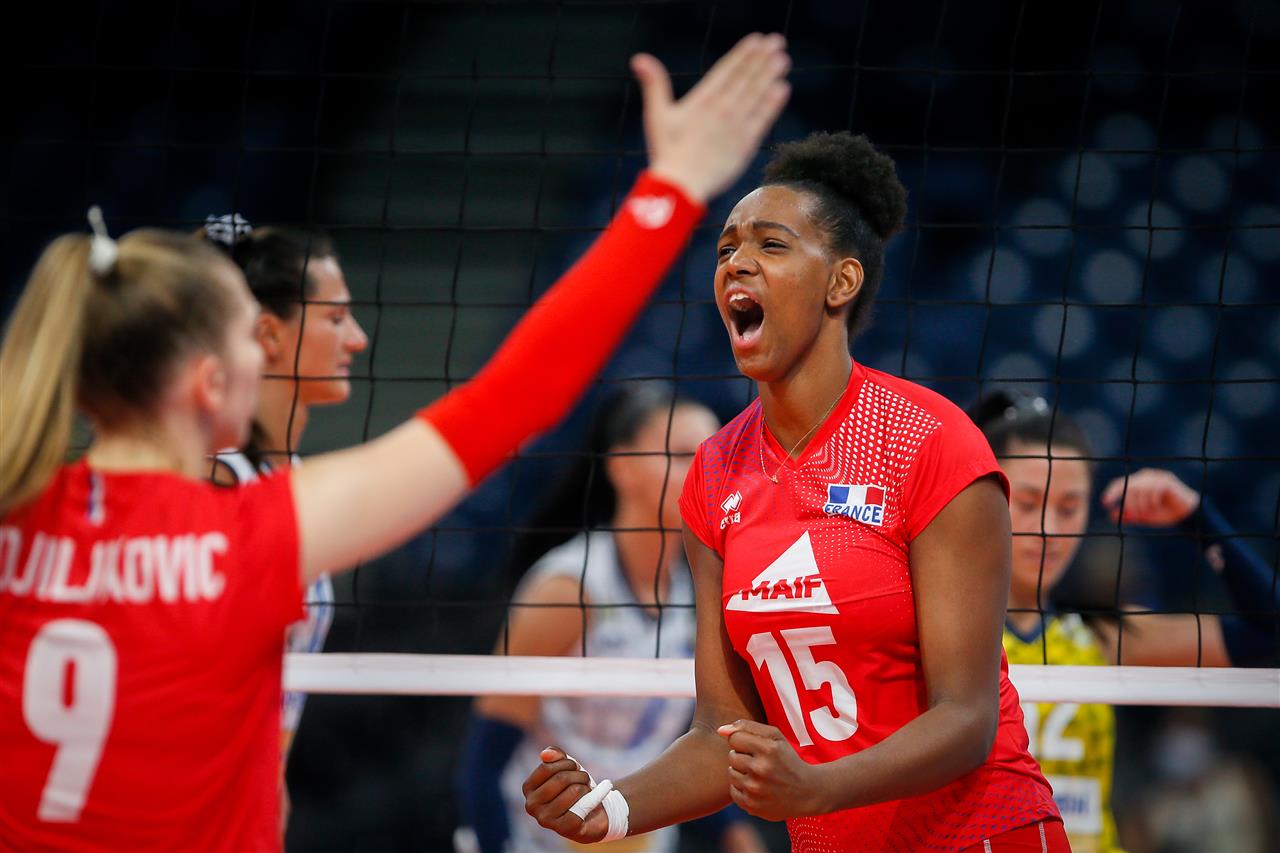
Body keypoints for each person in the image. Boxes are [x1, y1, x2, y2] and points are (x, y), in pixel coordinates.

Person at [0, 33, 791, 852]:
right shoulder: (252, 532)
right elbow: (513, 398)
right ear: (208, 380)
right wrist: (670, 191)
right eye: (245, 339)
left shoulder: (18, 513)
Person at [524, 131, 1066, 852]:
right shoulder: (714, 472)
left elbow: (967, 720)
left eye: (771, 245)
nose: (737, 262)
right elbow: (721, 733)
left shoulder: (929, 440)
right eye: (726, 249)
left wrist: (818, 786)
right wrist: (610, 807)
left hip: (982, 835)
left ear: (841, 283)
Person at [455, 383, 764, 853]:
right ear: (622, 468)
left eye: (714, 457)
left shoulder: (702, 588)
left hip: (636, 837)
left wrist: (735, 836)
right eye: (684, 454)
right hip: (538, 841)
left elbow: (688, 743)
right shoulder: (569, 589)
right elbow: (482, 766)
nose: (707, 473)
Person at [968, 390, 1279, 853]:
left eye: (1069, 508)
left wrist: (1196, 517)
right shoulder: (944, 631)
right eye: (1028, 503)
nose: (1050, 529)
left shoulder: (1103, 635)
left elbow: (1268, 632)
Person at [201, 220, 368, 816]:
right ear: (270, 333)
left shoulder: (286, 479)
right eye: (336, 318)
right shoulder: (216, 484)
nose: (357, 339)